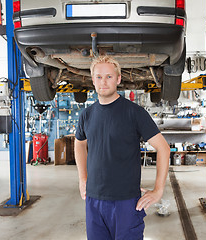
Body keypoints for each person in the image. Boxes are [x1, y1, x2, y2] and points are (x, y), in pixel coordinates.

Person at [74, 55, 170, 240]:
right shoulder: (86, 115)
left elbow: (163, 148)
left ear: (118, 79)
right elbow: (79, 143)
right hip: (94, 201)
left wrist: (158, 190)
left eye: (109, 76)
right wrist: (82, 178)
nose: (103, 82)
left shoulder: (134, 113)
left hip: (126, 202)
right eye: (99, 77)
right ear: (92, 80)